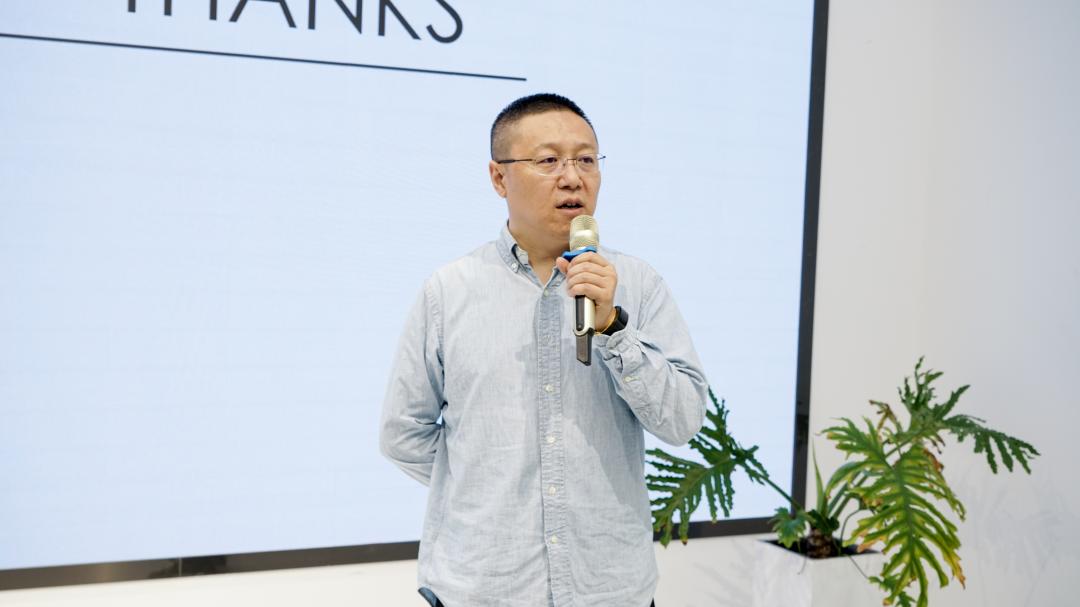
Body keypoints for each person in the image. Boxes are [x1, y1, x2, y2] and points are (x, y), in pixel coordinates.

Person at [379, 93, 707, 607]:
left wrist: (613, 327)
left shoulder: (639, 285)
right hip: (485, 590)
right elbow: (403, 432)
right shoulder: (450, 291)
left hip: (609, 590)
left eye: (586, 159)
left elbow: (683, 421)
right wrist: (484, 485)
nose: (572, 178)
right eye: (549, 160)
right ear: (499, 178)